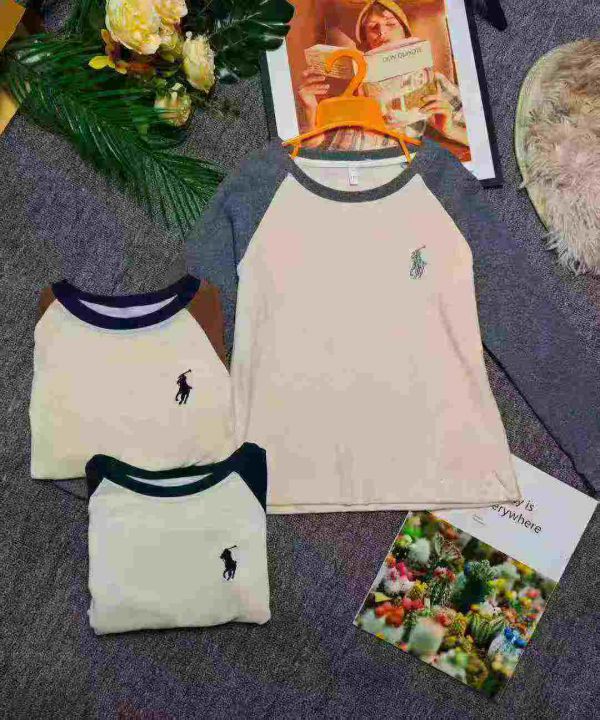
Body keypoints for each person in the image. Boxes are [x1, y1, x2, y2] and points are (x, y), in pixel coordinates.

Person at [297, 0, 469, 151]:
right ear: (367, 43)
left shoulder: (431, 81)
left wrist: (450, 130)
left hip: (385, 164)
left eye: (391, 23)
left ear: (405, 33)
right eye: (373, 27)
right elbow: (312, 145)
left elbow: (480, 137)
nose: (381, 31)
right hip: (338, 161)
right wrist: (309, 108)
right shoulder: (349, 86)